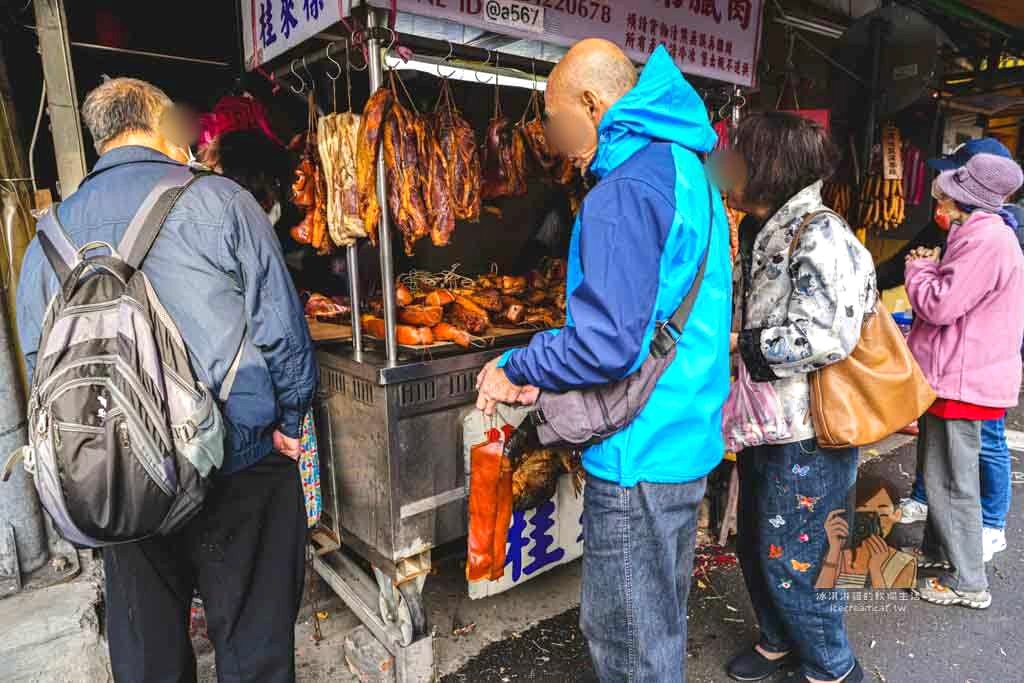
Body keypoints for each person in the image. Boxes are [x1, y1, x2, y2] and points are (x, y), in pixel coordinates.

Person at [16, 78, 317, 682]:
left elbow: (38, 361)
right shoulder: (222, 202)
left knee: (149, 655)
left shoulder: (44, 239)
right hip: (238, 460)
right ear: (161, 126)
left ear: (101, 139)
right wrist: (291, 420)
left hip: (118, 476)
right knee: (253, 644)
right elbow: (282, 330)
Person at [476, 41, 732, 681]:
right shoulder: (686, 168)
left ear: (593, 105)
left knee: (627, 642)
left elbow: (606, 344)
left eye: (558, 121)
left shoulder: (625, 190)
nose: (557, 142)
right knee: (657, 621)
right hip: (685, 435)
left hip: (638, 453)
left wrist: (520, 364)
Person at [718, 112, 874, 683]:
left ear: (769, 168)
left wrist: (739, 344)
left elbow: (827, 336)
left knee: (801, 554)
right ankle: (779, 637)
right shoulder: (759, 229)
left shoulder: (821, 233)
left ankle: (833, 665)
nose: (727, 164)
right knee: (759, 539)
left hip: (807, 428)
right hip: (762, 418)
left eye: (739, 155)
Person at [880, 139, 1023, 565]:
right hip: (959, 371)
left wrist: (919, 269)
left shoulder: (986, 240)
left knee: (960, 477)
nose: (940, 197)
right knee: (946, 473)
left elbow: (941, 306)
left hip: (968, 374)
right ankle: (945, 554)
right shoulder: (972, 233)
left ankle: (969, 572)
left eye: (948, 188)